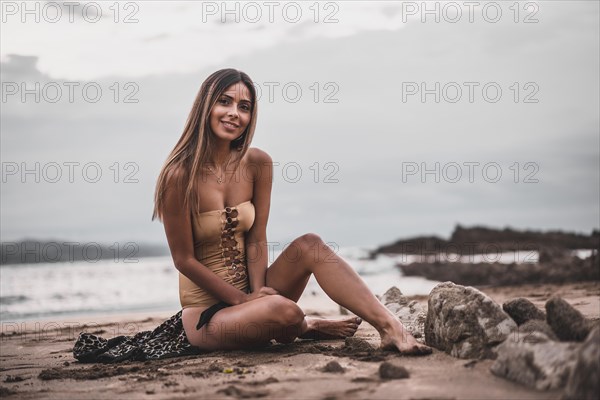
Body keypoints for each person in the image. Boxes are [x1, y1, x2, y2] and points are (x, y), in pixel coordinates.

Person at [151, 68, 432, 355]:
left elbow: (257, 237)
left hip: (257, 295)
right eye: (224, 102)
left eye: (244, 107)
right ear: (205, 106)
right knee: (286, 313)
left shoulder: (257, 163)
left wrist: (257, 292)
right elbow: (183, 260)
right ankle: (306, 325)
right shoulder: (179, 176)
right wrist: (242, 301)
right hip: (209, 315)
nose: (234, 113)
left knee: (310, 245)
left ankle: (390, 327)